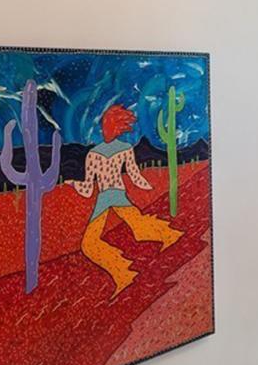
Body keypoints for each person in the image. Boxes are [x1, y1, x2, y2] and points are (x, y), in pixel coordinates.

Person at [73, 104, 182, 296]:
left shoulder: (96, 154)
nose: (104, 129)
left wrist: (73, 184)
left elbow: (89, 189)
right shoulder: (117, 150)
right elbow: (133, 177)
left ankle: (124, 272)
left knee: (90, 243)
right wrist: (151, 186)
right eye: (104, 125)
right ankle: (164, 239)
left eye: (106, 125)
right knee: (129, 230)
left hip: (109, 197)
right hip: (111, 197)